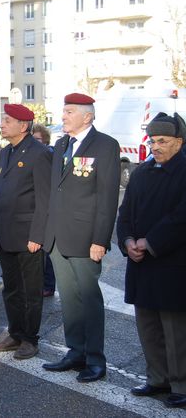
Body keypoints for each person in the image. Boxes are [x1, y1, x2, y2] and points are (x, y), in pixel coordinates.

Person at [42, 93, 120, 383]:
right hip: (58, 238)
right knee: (70, 300)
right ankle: (75, 351)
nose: (63, 117)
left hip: (86, 238)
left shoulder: (105, 145)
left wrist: (100, 239)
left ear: (87, 116)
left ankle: (96, 360)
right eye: (63, 111)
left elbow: (107, 196)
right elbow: (54, 192)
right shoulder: (61, 144)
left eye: (69, 112)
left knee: (89, 299)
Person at [117, 112, 186, 409]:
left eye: (163, 141)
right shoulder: (143, 172)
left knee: (176, 330)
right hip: (141, 262)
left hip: (173, 264)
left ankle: (181, 384)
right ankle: (157, 378)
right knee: (148, 326)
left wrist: (151, 241)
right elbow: (125, 212)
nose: (155, 146)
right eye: (153, 140)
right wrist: (128, 240)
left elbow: (181, 217)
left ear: (179, 142)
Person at [0, 104, 52, 360]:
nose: (2, 124)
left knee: (31, 291)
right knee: (11, 288)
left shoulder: (39, 153)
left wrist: (38, 235)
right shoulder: (6, 152)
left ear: (23, 126)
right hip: (7, 233)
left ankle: (30, 339)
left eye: (7, 120)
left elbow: (44, 199)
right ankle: (15, 333)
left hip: (28, 235)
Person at [32, 123, 56, 297]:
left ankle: (48, 284)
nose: (35, 142)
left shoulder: (49, 154)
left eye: (38, 139)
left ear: (45, 140)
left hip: (47, 210)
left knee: (46, 254)